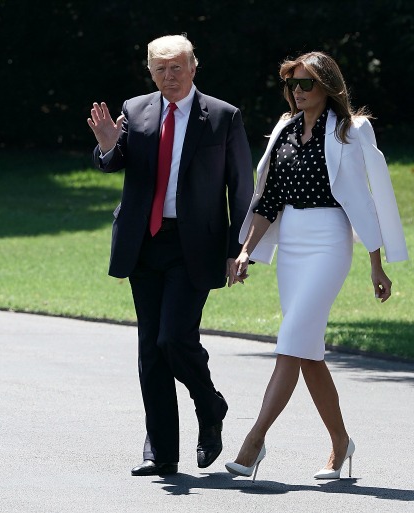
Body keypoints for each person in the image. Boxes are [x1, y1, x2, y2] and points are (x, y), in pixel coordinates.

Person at [223, 51, 408, 481]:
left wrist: (376, 264)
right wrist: (246, 249)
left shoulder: (350, 131)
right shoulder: (284, 131)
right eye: (293, 85)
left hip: (329, 238)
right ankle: (341, 442)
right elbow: (267, 200)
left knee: (291, 340)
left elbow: (366, 200)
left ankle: (253, 442)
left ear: (327, 86)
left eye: (307, 84)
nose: (299, 92)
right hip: (292, 242)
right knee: (306, 351)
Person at [86, 35, 253, 476]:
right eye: (160, 69)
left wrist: (240, 249)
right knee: (150, 349)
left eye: (177, 67)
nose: (169, 77)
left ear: (194, 66)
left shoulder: (222, 116)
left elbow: (242, 187)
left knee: (173, 338)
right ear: (150, 72)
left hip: (194, 245)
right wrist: (106, 145)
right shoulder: (137, 108)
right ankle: (161, 451)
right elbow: (114, 158)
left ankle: (209, 405)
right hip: (144, 242)